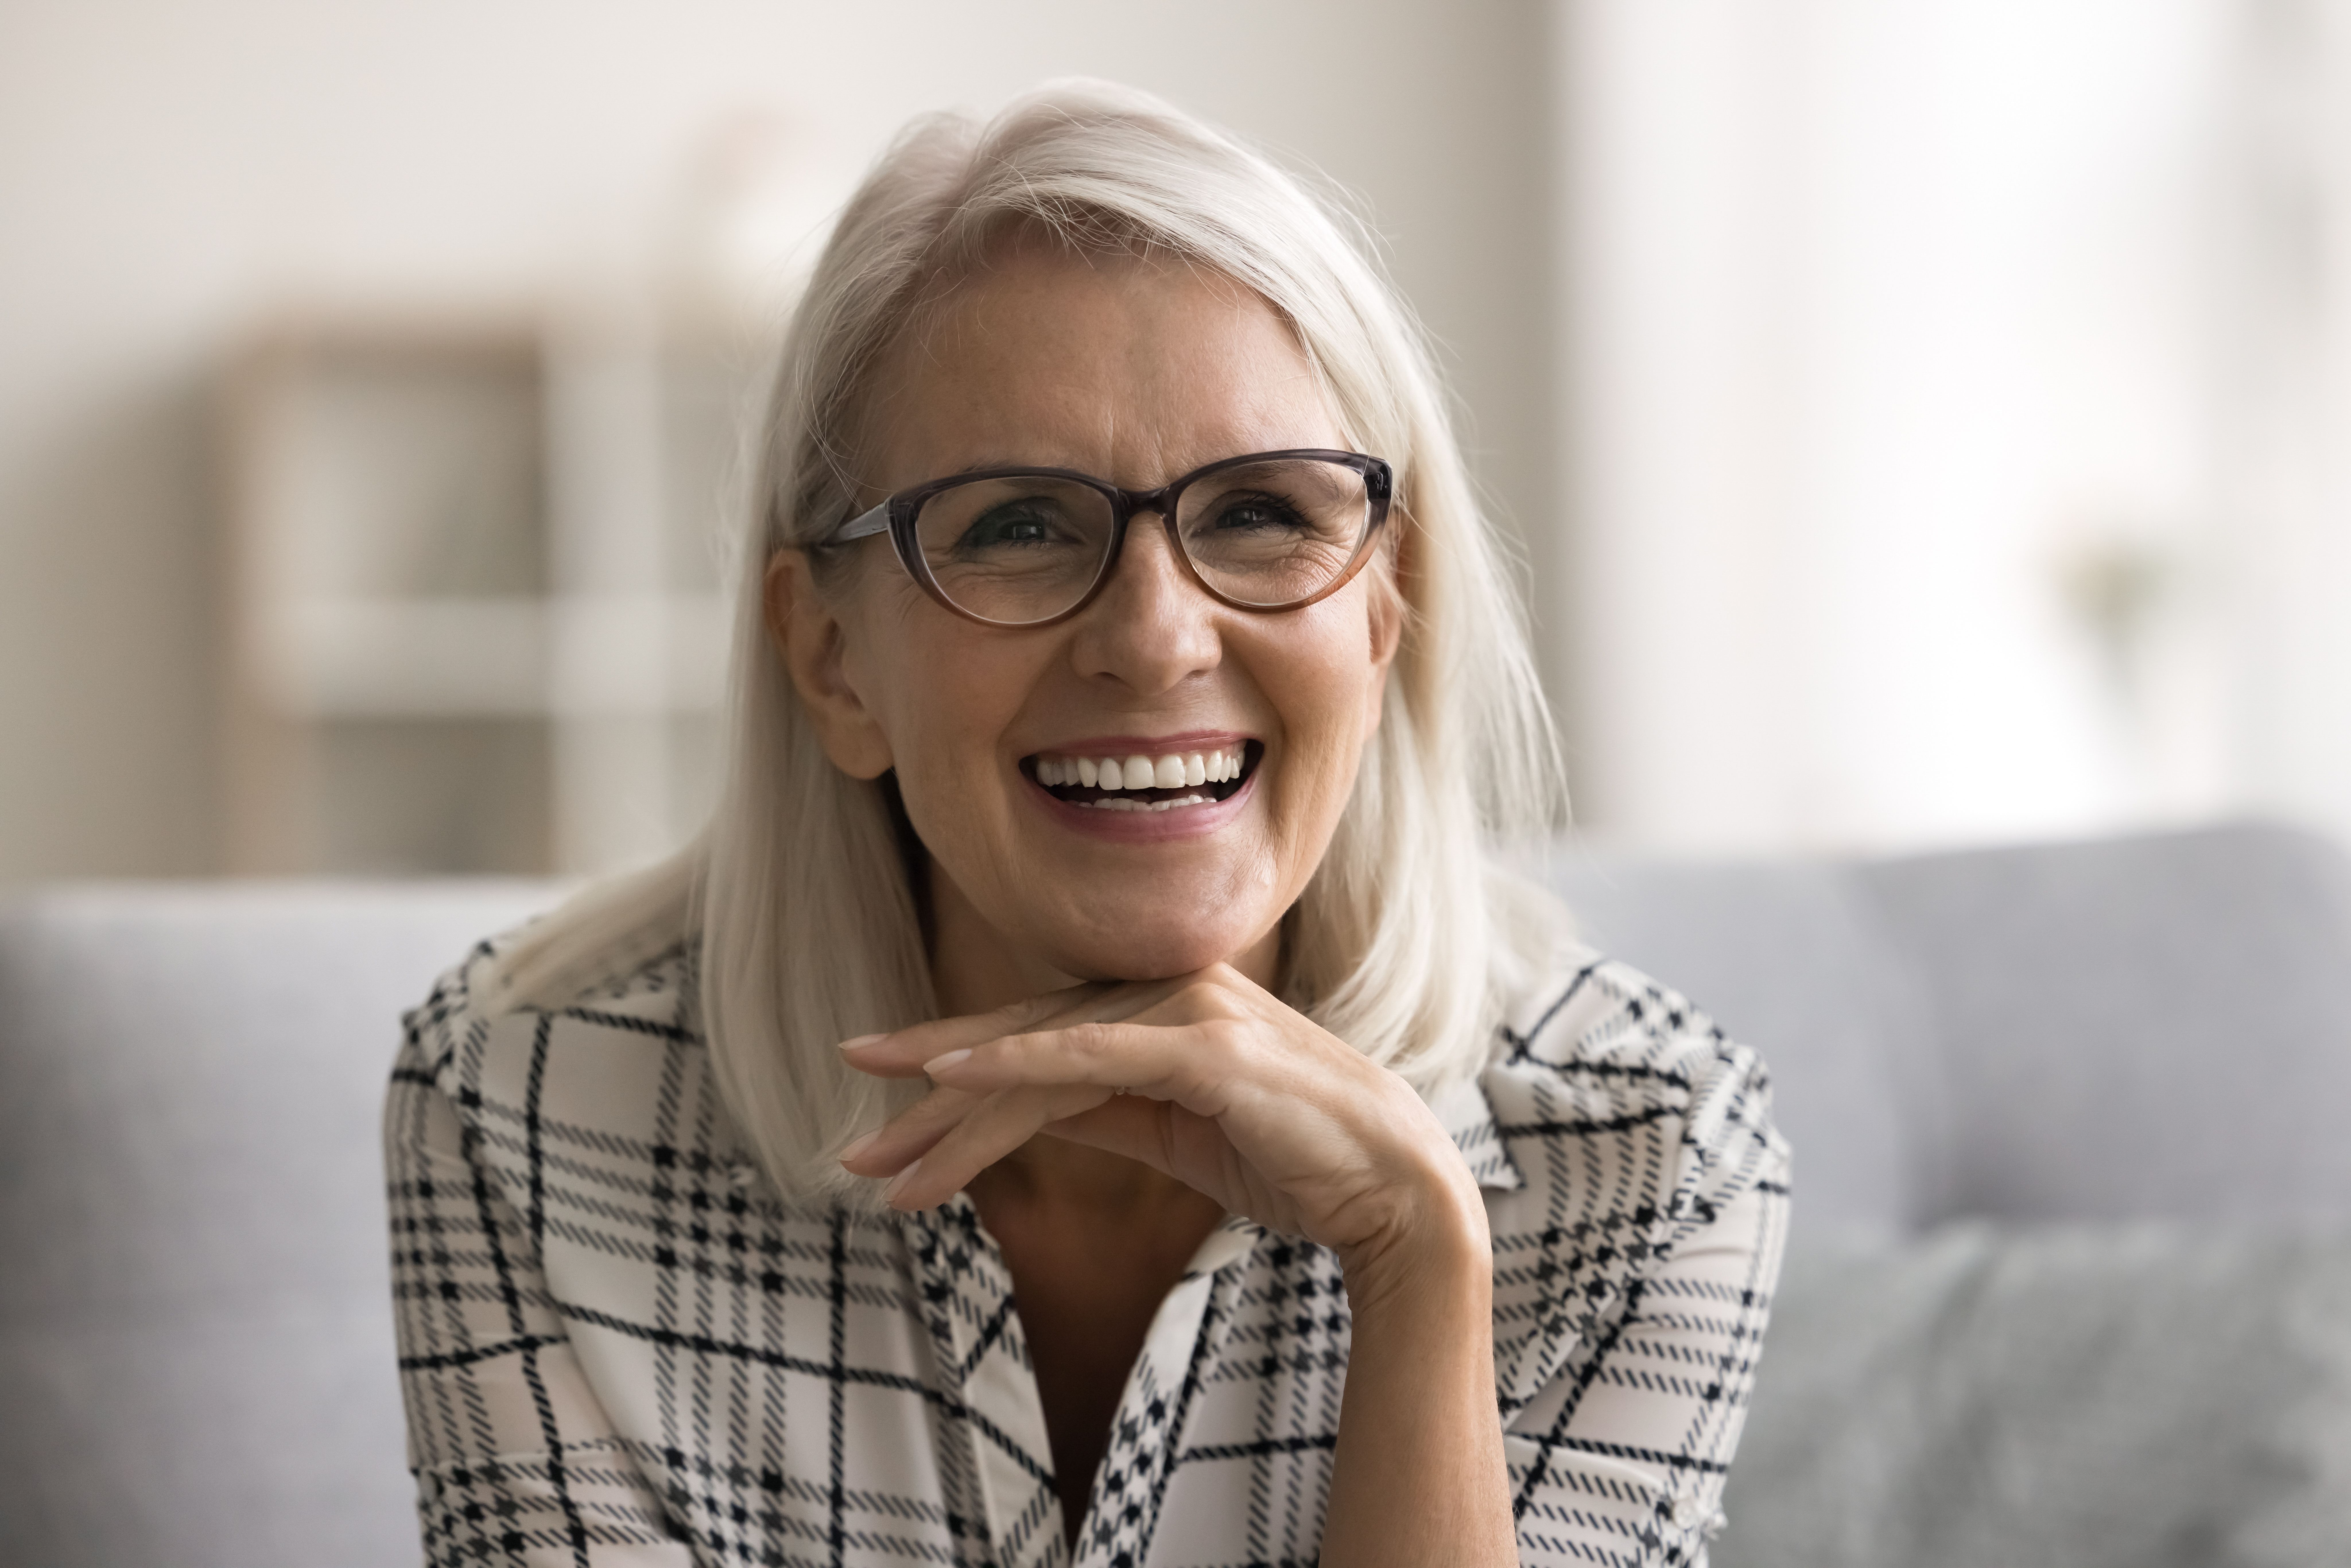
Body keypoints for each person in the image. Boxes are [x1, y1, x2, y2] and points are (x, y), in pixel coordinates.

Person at [386, 81, 1789, 1568]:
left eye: (1260, 510)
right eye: (1018, 524)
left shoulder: (1645, 1148)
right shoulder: (526, 1103)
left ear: (1387, 608)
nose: (1157, 639)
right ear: (831, 660)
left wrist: (1416, 1268)